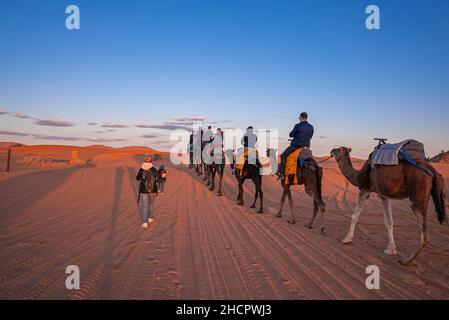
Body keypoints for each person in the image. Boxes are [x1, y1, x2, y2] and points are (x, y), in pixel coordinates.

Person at [277, 112, 314, 180]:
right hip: (306, 147)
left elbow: (291, 134)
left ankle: (281, 173)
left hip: (296, 146)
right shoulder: (311, 127)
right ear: (306, 118)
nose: (299, 119)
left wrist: (297, 136)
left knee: (283, 156)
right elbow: (310, 136)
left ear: (300, 117)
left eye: (299, 118)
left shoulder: (297, 126)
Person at [136, 155, 159, 228]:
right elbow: (158, 179)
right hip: (153, 190)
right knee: (151, 204)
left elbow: (137, 178)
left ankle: (145, 223)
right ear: (151, 161)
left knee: (145, 206)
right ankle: (150, 218)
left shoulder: (141, 169)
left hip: (143, 190)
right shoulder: (154, 170)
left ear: (144, 161)